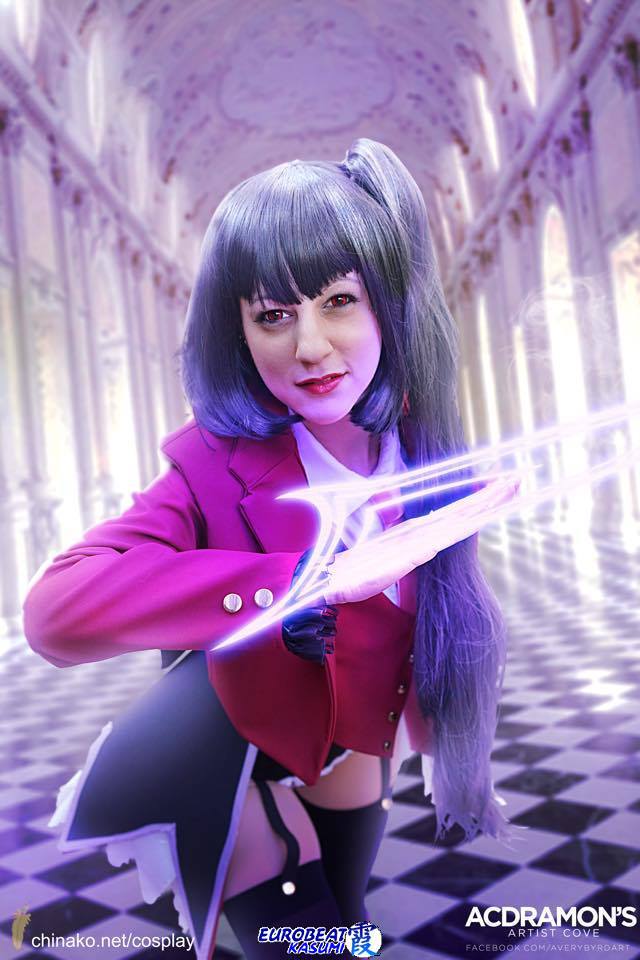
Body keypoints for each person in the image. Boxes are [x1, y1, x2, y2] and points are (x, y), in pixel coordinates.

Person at [23, 139, 520, 960]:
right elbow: (54, 610)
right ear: (241, 332)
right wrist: (304, 582)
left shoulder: (423, 445)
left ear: (388, 304)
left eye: (338, 301)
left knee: (342, 930)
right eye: (273, 316)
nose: (310, 346)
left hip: (353, 769)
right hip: (235, 770)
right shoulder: (212, 463)